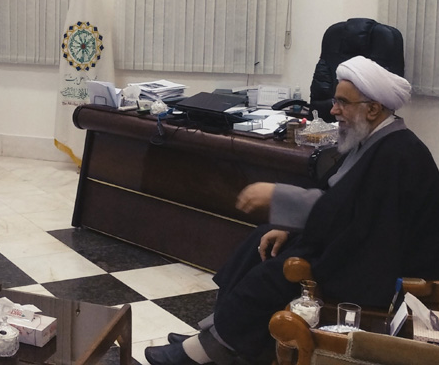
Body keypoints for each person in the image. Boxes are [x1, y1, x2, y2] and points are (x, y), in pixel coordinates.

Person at [146, 55, 439, 365]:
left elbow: (346, 212)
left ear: (373, 109)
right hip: (357, 243)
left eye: (342, 102)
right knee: (262, 241)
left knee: (275, 273)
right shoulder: (374, 139)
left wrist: (277, 196)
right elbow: (341, 203)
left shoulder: (398, 155)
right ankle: (216, 334)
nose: (333, 110)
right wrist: (288, 226)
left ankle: (212, 349)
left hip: (384, 269)